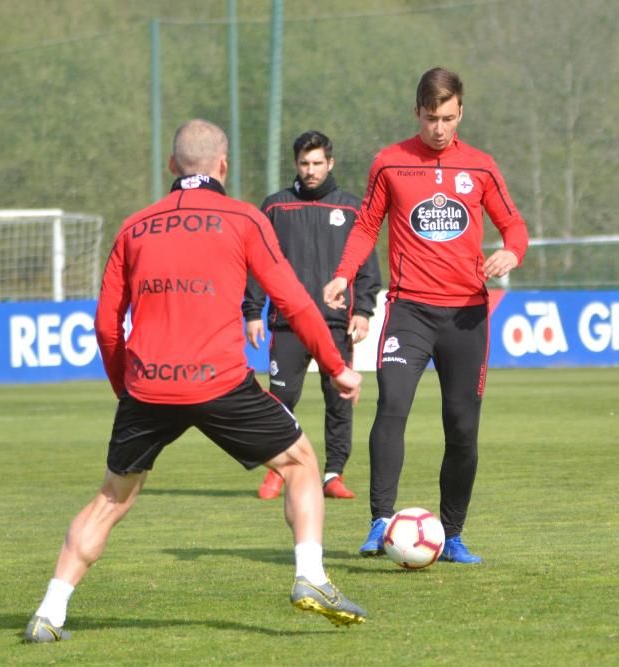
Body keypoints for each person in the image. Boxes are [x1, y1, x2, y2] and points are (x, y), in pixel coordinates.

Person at [23, 119, 367, 643]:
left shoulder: (134, 226)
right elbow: (295, 300)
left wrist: (127, 389)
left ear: (171, 166)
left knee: (112, 497)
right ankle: (311, 578)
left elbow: (105, 324)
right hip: (220, 384)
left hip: (148, 387)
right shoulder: (245, 219)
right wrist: (337, 365)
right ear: (222, 166)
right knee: (300, 464)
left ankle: (49, 613)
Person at [323, 67, 529, 564]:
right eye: (432, 117)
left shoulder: (480, 167)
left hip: (465, 318)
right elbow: (365, 226)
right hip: (409, 310)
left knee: (461, 427)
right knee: (391, 407)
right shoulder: (390, 163)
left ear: (462, 113)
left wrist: (512, 253)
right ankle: (379, 522)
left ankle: (452, 533)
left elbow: (514, 224)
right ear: (417, 111)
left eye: (450, 118)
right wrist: (344, 274)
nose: (441, 128)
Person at [243, 130, 381, 502]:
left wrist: (364, 310)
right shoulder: (275, 207)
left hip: (336, 324)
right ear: (295, 165)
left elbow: (367, 264)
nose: (310, 170)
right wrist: (253, 311)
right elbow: (257, 264)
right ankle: (278, 471)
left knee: (339, 401)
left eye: (317, 163)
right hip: (287, 324)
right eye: (304, 163)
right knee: (280, 401)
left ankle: (333, 474)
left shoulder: (353, 208)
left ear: (330, 163)